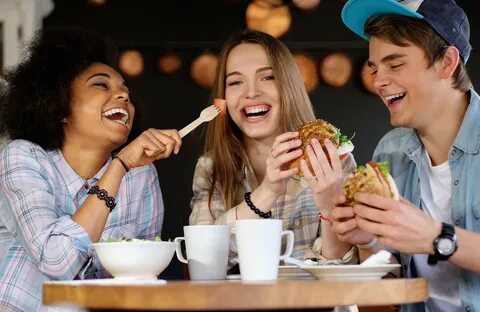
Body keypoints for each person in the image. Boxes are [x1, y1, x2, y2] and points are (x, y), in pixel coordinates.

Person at [0, 26, 181, 311]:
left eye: (126, 91)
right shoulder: (23, 157)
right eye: (101, 85)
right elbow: (57, 262)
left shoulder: (141, 175)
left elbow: (141, 276)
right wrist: (119, 166)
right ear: (58, 105)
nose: (123, 96)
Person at [330, 0, 479, 311]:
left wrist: (437, 238)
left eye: (395, 64)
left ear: (447, 63)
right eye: (374, 67)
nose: (378, 81)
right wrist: (368, 241)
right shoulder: (391, 151)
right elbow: (384, 299)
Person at [189, 30, 357, 263]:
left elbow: (344, 269)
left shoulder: (332, 158)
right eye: (236, 82)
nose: (251, 93)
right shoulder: (211, 167)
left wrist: (330, 210)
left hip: (312, 299)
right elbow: (201, 255)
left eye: (267, 77)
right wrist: (266, 191)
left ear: (289, 85)